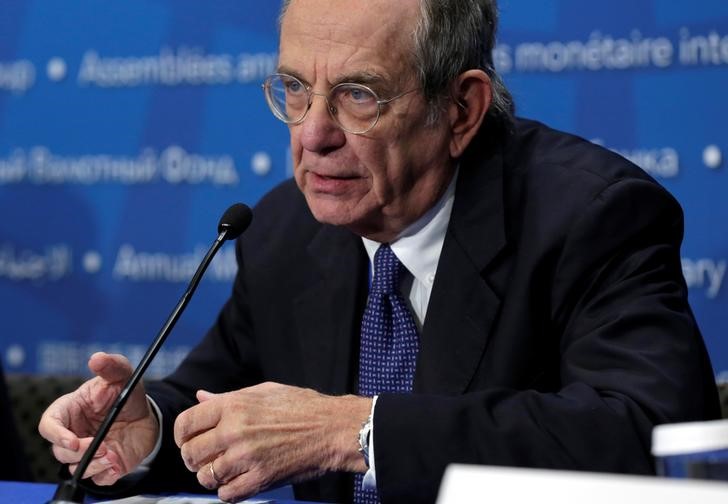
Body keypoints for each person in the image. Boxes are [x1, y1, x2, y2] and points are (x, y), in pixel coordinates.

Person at [39, 0, 720, 503]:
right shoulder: (286, 228)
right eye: (297, 91)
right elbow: (217, 395)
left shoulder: (589, 217)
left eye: (358, 96)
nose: (313, 136)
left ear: (461, 111)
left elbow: (653, 437)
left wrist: (356, 430)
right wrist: (147, 426)